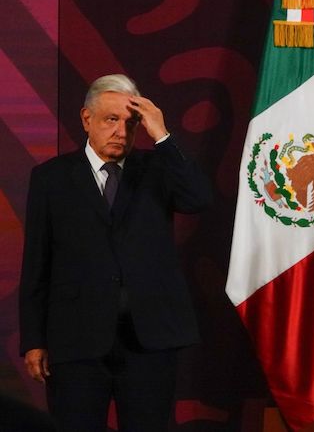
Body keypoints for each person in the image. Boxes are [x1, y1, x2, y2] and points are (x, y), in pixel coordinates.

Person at [19, 74, 212, 431]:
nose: (122, 131)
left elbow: (198, 198)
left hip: (149, 340)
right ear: (86, 119)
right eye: (111, 119)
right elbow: (37, 263)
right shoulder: (50, 178)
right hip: (76, 341)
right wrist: (33, 340)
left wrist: (163, 135)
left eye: (131, 122)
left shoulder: (158, 168)